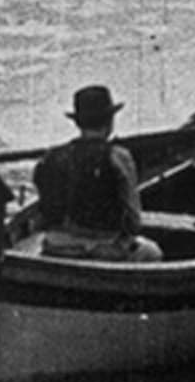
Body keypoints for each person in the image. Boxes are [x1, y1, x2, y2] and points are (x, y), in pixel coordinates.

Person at [32, 85, 164, 261]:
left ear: (78, 122)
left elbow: (42, 215)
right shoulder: (118, 157)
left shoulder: (52, 157)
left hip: (56, 245)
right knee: (153, 253)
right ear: (110, 121)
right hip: (103, 249)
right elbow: (133, 222)